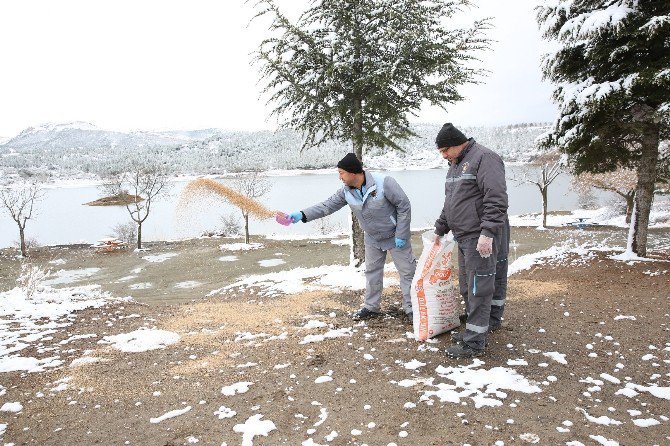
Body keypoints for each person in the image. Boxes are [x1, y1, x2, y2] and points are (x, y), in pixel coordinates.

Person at [285, 153, 417, 321]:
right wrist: (302, 215)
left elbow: (404, 206)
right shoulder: (346, 192)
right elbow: (327, 206)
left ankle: (413, 308)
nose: (339, 177)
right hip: (372, 238)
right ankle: (371, 307)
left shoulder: (384, 182)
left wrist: (402, 233)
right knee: (372, 272)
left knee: (407, 272)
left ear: (353, 172)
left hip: (395, 235)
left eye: (341, 172)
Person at [433, 123, 510, 359]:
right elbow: (451, 203)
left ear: (459, 143)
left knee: (480, 286)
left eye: (446, 150)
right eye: (441, 152)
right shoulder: (455, 165)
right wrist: (440, 227)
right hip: (464, 235)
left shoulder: (485, 158)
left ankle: (475, 341)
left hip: (480, 235)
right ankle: (487, 323)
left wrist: (487, 233)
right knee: (469, 284)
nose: (444, 155)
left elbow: (496, 198)